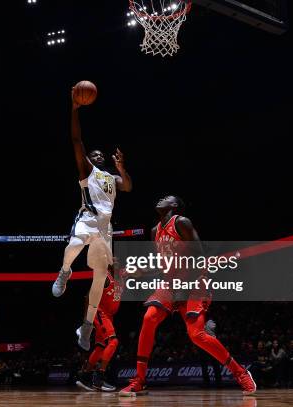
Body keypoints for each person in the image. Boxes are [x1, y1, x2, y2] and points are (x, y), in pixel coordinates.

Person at [119, 196, 256, 396]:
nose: (160, 198)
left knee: (197, 335)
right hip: (170, 283)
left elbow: (200, 255)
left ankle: (241, 373)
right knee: (148, 318)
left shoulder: (181, 222)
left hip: (192, 280)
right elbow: (160, 264)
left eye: (167, 198)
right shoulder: (154, 231)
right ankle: (139, 381)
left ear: (174, 206)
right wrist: (139, 271)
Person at [52, 87, 132, 351]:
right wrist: (74, 110)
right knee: (74, 245)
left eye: (100, 155)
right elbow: (76, 141)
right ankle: (65, 271)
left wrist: (122, 168)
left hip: (105, 229)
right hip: (87, 219)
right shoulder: (88, 170)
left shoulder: (111, 178)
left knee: (100, 277)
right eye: (93, 154)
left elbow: (128, 187)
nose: (96, 156)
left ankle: (86, 326)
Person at [76, 261, 125, 392]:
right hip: (100, 312)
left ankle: (84, 377)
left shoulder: (121, 275)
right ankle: (99, 377)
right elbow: (88, 297)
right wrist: (86, 322)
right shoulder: (104, 278)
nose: (117, 263)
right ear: (109, 265)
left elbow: (140, 271)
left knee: (99, 347)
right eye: (114, 261)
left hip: (109, 316)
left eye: (119, 261)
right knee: (113, 342)